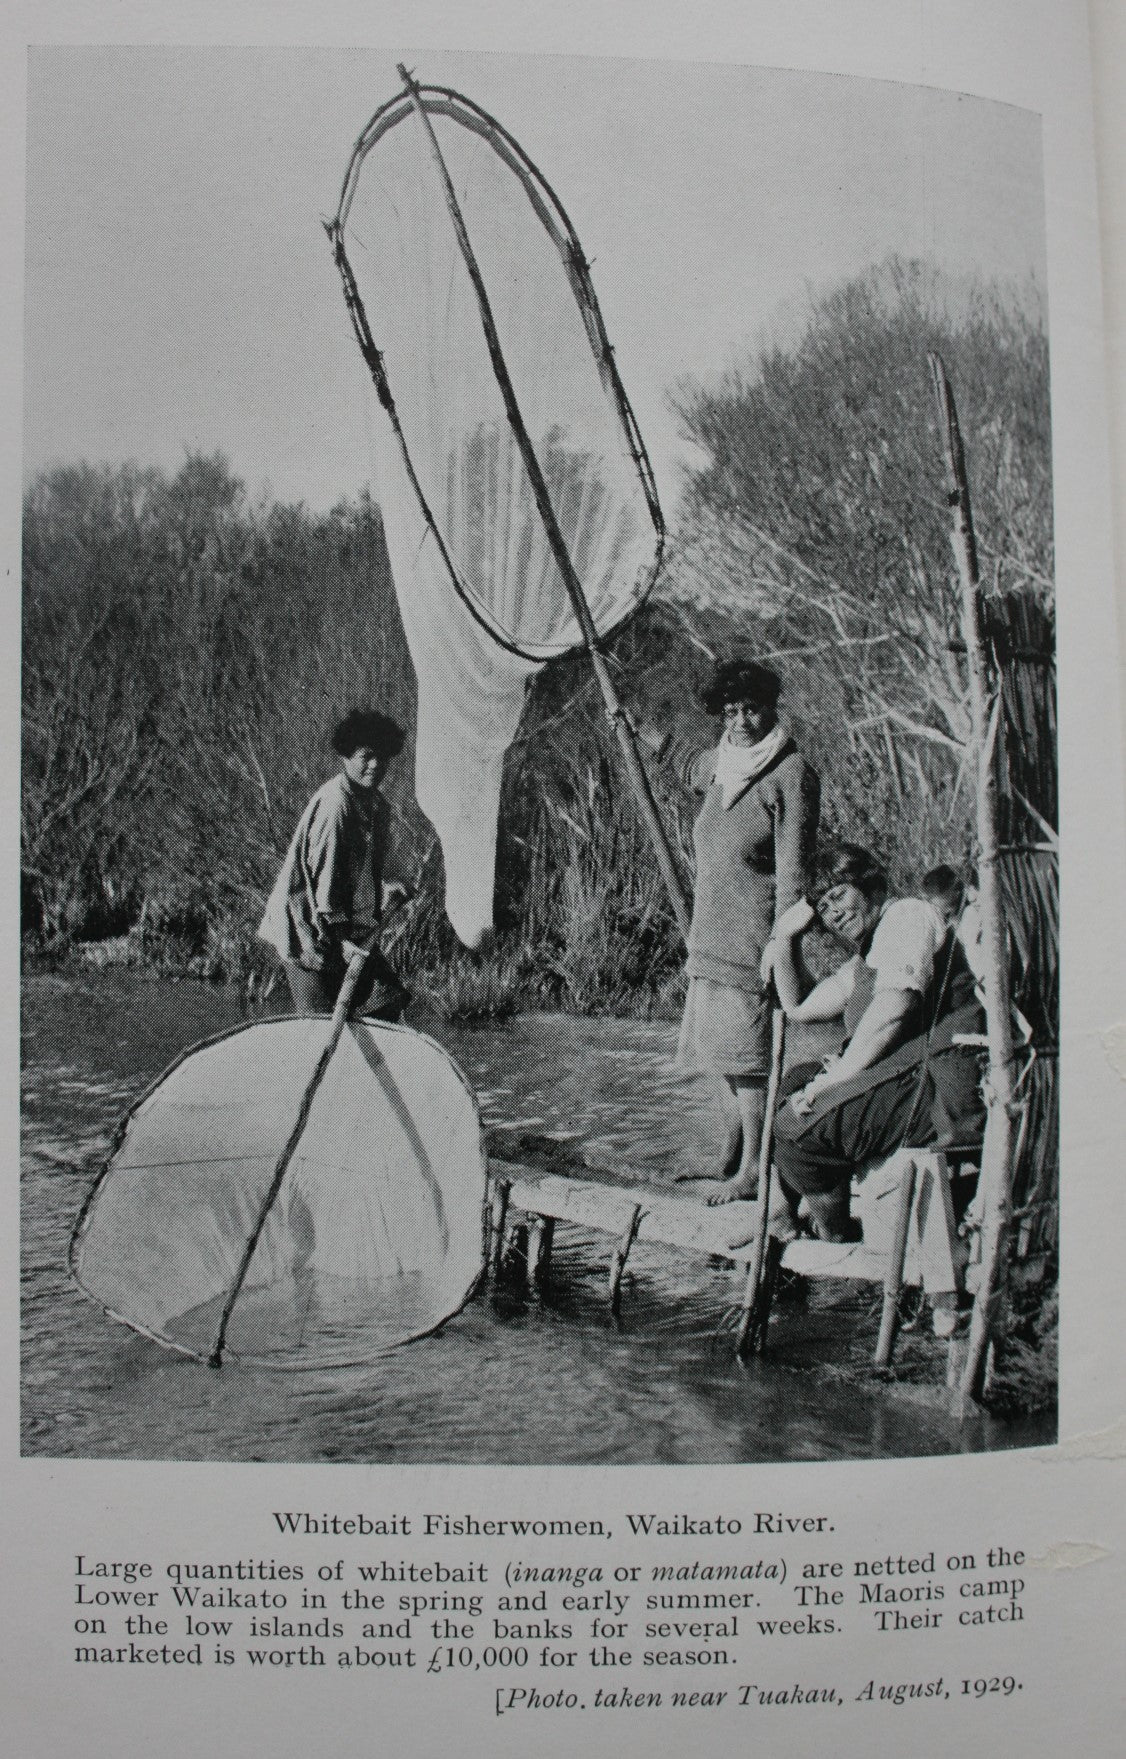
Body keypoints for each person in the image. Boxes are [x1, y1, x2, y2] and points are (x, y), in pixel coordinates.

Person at [761, 843, 985, 1242]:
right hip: (910, 1075)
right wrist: (784, 938)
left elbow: (895, 1007)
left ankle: (837, 1232)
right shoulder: (869, 953)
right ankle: (784, 1212)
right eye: (823, 907)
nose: (834, 914)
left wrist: (839, 1077)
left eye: (839, 895)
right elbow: (798, 1007)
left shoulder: (906, 917)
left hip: (940, 1085)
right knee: (796, 1080)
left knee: (797, 1129)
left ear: (870, 884)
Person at [656, 658, 820, 1202]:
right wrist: (642, 734)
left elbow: (795, 872)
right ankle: (730, 1153)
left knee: (749, 1061)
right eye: (730, 712)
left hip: (753, 939)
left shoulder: (790, 773)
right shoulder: (724, 763)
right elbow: (685, 764)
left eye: (751, 709)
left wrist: (782, 947)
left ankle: (753, 1170)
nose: (742, 721)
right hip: (708, 935)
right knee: (720, 1055)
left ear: (771, 708)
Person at [258, 708, 411, 1019]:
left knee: (388, 999)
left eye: (381, 757)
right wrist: (340, 943)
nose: (375, 765)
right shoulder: (335, 807)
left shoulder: (377, 806)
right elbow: (324, 891)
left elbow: (377, 867)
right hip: (308, 929)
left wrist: (393, 886)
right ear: (346, 757)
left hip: (349, 928)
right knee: (320, 1024)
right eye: (366, 756)